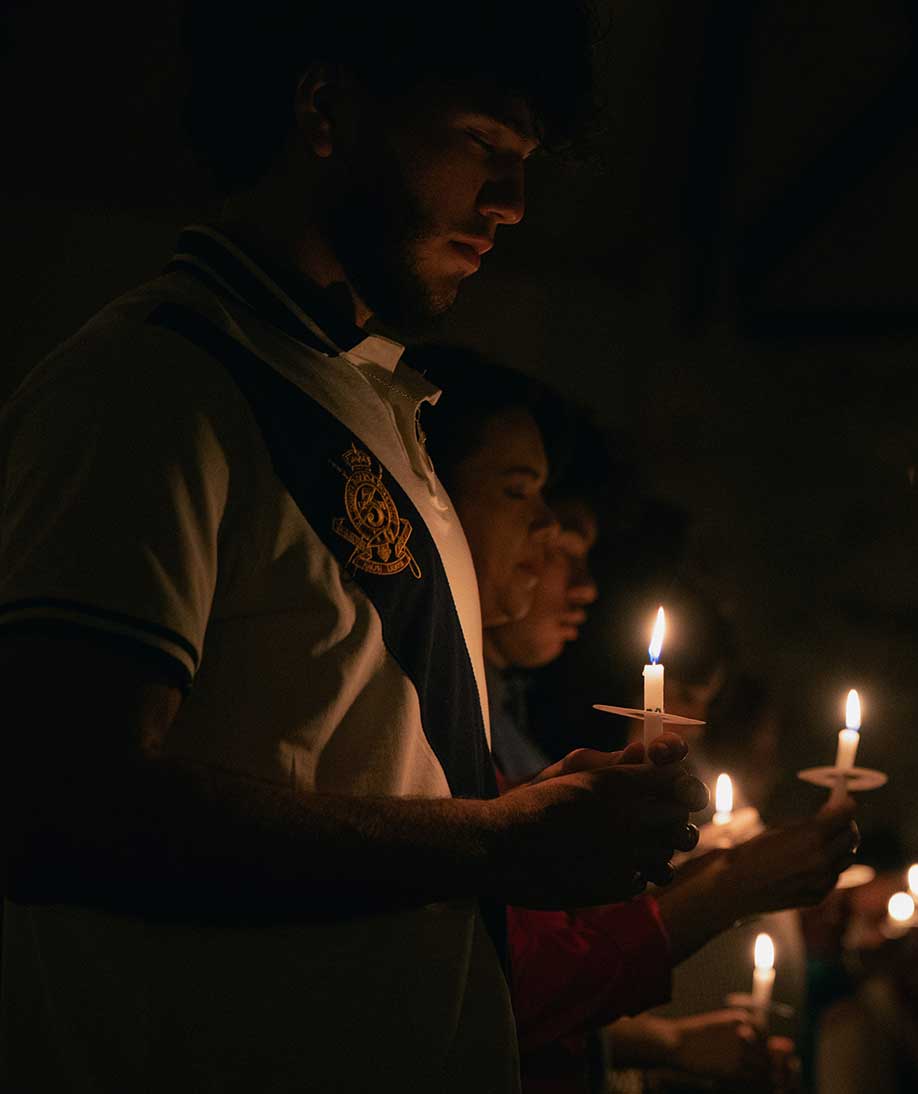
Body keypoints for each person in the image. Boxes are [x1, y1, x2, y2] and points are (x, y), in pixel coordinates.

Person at [0, 4, 707, 1091]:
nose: (512, 205)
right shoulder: (151, 388)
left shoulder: (369, 401)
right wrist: (492, 842)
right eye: (482, 146)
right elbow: (60, 796)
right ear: (327, 110)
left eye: (523, 163)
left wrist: (532, 816)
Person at [419, 348, 858, 1090]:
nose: (547, 544)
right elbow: (503, 981)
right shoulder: (439, 718)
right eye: (524, 500)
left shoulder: (484, 721)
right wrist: (728, 886)